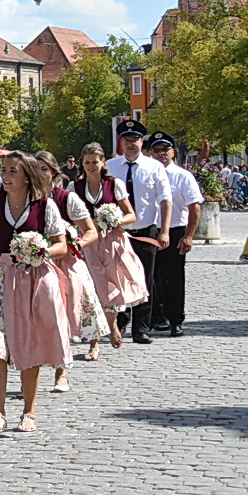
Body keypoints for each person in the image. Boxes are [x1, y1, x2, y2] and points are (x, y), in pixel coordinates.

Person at [0, 152, 71, 434]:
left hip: (32, 280)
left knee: (28, 346)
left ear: (27, 175)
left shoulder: (44, 206)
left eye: (13, 171)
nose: (6, 176)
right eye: (4, 170)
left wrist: (40, 250)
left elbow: (62, 244)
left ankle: (29, 411)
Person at [34, 151, 104, 392]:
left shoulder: (67, 198)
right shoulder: (22, 198)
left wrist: (75, 243)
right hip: (33, 266)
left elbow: (91, 231)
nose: (41, 173)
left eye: (45, 169)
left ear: (54, 173)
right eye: (36, 168)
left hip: (65, 263)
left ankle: (61, 371)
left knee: (61, 316)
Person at [73, 142, 144, 360]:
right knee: (92, 289)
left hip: (112, 241)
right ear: (82, 164)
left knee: (113, 288)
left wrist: (114, 220)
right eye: (87, 162)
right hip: (88, 242)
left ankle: (111, 325)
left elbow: (131, 214)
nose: (91, 166)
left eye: (95, 162)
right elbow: (67, 214)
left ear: (102, 162)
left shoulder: (114, 184)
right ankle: (94, 343)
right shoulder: (75, 187)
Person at [105, 118, 172, 344]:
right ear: (121, 142)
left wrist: (164, 232)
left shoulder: (154, 167)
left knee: (145, 280)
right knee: (119, 280)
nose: (130, 144)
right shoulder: (110, 167)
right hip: (118, 233)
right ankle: (120, 324)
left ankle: (141, 328)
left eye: (134, 139)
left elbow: (165, 200)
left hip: (145, 230)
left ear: (142, 141)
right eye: (126, 140)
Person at [147, 133, 202, 336]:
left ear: (173, 152)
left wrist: (188, 236)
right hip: (149, 230)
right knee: (149, 278)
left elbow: (195, 207)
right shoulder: (145, 173)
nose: (161, 154)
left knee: (173, 278)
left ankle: (175, 320)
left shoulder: (183, 176)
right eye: (157, 150)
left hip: (175, 230)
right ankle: (153, 318)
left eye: (165, 149)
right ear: (150, 153)